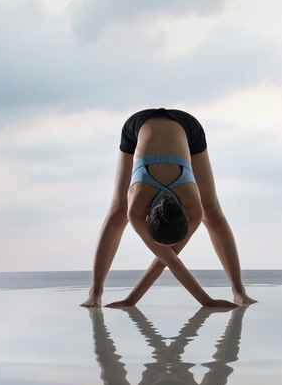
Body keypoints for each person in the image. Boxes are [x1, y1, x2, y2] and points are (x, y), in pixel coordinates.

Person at [80, 108, 256, 308]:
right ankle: (95, 292)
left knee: (213, 213)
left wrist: (131, 300)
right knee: (118, 212)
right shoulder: (136, 206)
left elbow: (170, 262)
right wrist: (206, 301)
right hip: (142, 127)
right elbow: (172, 262)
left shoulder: (194, 210)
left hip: (183, 129)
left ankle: (238, 290)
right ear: (147, 219)